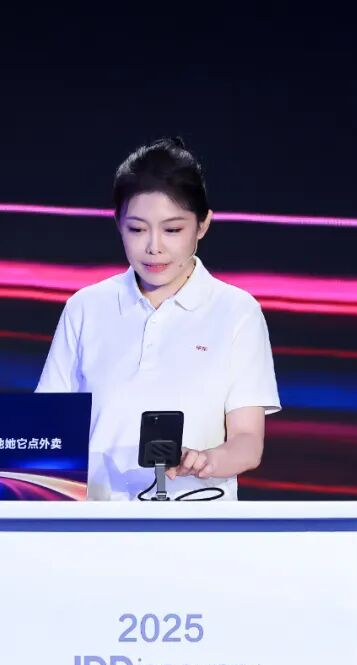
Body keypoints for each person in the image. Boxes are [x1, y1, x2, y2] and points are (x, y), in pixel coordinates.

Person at [36, 138, 281, 500]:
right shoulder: (86, 307)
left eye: (173, 230)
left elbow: (247, 442)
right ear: (118, 224)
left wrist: (206, 460)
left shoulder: (235, 311)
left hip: (196, 518)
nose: (154, 247)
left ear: (202, 225)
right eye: (137, 229)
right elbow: (46, 426)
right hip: (95, 521)